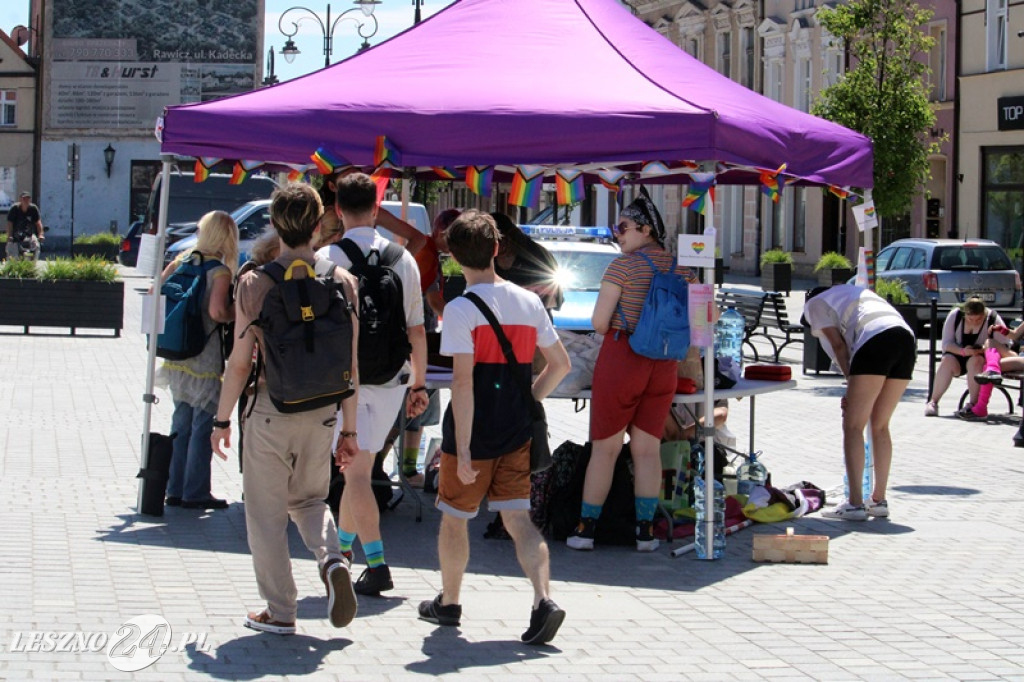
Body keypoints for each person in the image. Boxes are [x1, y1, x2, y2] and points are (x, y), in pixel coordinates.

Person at [211, 183, 360, 635]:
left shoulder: (254, 283)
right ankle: (333, 558)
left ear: (274, 225)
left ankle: (281, 610)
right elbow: (351, 368)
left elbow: (239, 366)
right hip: (322, 413)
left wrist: (220, 421)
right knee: (311, 500)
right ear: (319, 227)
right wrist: (350, 433)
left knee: (265, 515)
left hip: (269, 409)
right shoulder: (343, 281)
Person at [418, 209, 570, 644]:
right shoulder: (529, 301)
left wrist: (463, 449)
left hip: (474, 430)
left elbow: (463, 383)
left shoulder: (462, 308)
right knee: (519, 520)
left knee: (454, 518)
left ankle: (449, 602)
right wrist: (530, 399)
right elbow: (560, 364)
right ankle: (544, 600)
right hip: (516, 429)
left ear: (452, 257)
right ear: (497, 249)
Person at [318, 172, 428, 597]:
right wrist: (418, 385)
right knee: (356, 470)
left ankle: (378, 566)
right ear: (377, 209)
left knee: (356, 473)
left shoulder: (327, 258)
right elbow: (416, 329)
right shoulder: (404, 259)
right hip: (391, 379)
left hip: (344, 382)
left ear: (338, 210)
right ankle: (343, 557)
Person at [567, 191, 696, 553]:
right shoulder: (682, 269)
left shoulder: (622, 267)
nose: (616, 234)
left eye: (621, 227)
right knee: (647, 450)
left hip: (624, 357)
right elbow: (702, 320)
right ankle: (645, 533)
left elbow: (599, 322)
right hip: (664, 364)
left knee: (605, 449)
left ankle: (586, 529)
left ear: (644, 229)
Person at [801, 284, 916, 521]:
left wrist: (850, 383)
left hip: (876, 339)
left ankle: (854, 504)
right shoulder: (853, 295)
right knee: (880, 425)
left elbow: (839, 346)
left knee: (853, 426)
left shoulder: (814, 303)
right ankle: (878, 500)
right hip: (905, 338)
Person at [159, 211, 238, 509]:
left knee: (180, 421)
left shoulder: (180, 262)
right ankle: (196, 492)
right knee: (203, 424)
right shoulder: (219, 271)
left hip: (176, 353)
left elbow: (156, 294)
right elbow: (218, 312)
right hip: (204, 356)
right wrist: (238, 313)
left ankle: (173, 488)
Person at [400, 208, 461, 486]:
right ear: (440, 232)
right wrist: (464, 320)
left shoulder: (429, 253)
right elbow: (434, 301)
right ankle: (405, 470)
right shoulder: (426, 253)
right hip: (417, 336)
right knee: (413, 408)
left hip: (418, 333)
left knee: (415, 411)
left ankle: (408, 469)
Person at [923, 297, 1004, 419]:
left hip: (979, 357)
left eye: (979, 319)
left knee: (976, 361)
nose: (975, 322)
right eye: (971, 319)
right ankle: (933, 402)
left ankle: (972, 404)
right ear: (965, 314)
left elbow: (1004, 345)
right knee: (947, 361)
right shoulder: (955, 316)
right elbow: (946, 344)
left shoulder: (992, 318)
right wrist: (963, 351)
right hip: (957, 354)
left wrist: (982, 349)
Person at [491, 212, 563, 311]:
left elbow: (554, 299)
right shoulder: (489, 258)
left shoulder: (538, 256)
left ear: (506, 238)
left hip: (533, 318)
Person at [6, 191, 44, 261]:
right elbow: (9, 223)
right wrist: (10, 236)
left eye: (28, 198)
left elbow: (38, 223)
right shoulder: (15, 209)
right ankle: (11, 265)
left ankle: (33, 263)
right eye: (24, 199)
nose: (26, 201)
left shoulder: (33, 209)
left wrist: (40, 234)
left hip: (30, 234)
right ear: (20, 199)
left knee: (36, 245)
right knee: (11, 247)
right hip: (16, 234)